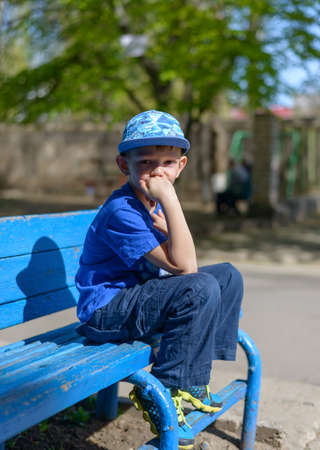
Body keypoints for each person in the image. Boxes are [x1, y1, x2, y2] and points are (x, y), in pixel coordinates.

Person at [76, 110, 243, 449]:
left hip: (137, 301)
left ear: (181, 165)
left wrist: (168, 207)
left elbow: (186, 264)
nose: (157, 171)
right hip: (105, 312)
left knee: (227, 276)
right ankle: (167, 390)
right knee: (200, 287)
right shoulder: (122, 210)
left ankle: (194, 378)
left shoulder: (152, 202)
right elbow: (186, 269)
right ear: (125, 164)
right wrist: (171, 198)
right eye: (146, 161)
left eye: (168, 161)